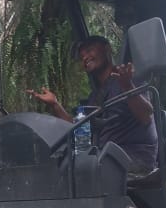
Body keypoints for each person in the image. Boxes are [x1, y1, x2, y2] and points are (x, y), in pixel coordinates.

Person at [27, 34, 157, 173]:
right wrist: (55, 104)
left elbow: (146, 115)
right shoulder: (96, 96)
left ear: (107, 49)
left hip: (135, 156)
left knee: (86, 171)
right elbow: (80, 130)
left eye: (89, 50)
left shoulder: (128, 79)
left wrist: (127, 86)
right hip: (106, 156)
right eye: (82, 56)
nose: (85, 57)